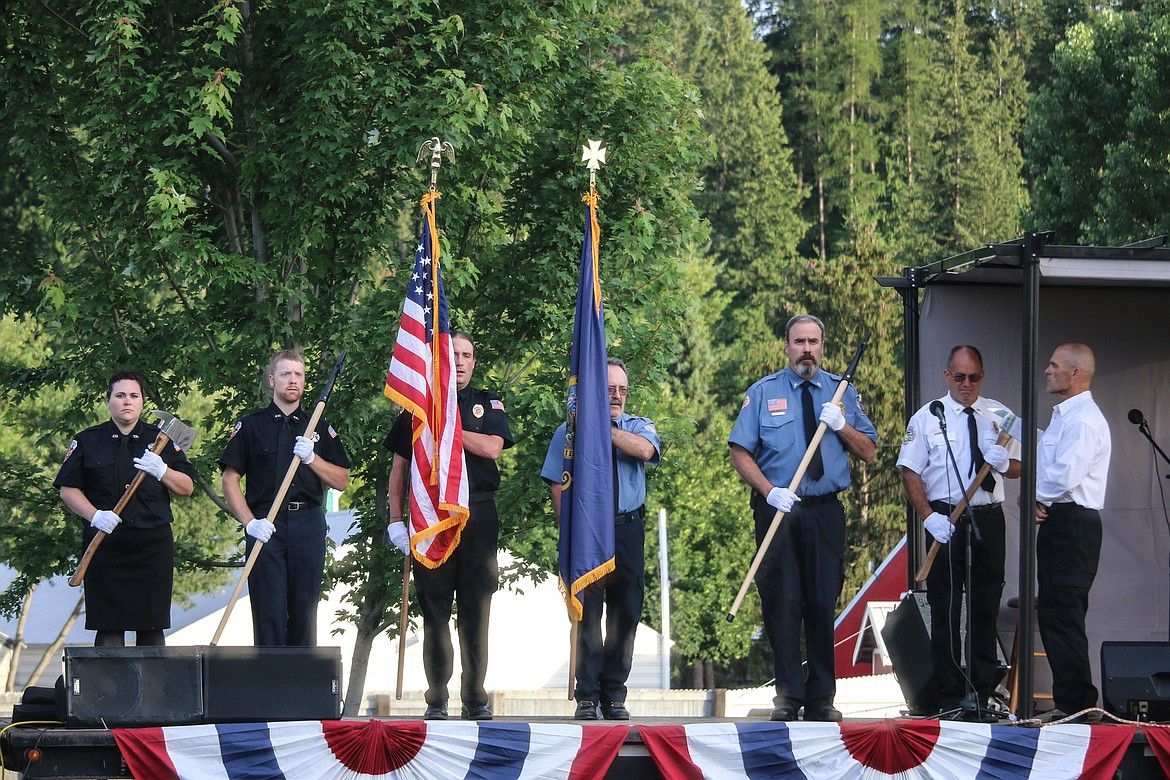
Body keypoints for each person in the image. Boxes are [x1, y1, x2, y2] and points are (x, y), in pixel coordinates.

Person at [728, 314, 877, 722]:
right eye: (799, 342)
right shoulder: (763, 393)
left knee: (820, 601)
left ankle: (822, 699)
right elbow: (740, 451)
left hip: (825, 512)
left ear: (822, 346)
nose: (806, 349)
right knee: (782, 601)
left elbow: (867, 450)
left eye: (813, 341)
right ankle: (788, 696)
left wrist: (842, 425)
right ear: (787, 346)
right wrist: (767, 490)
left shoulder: (842, 392)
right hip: (778, 510)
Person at [386, 332, 513, 721]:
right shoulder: (418, 407)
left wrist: (446, 429)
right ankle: (436, 697)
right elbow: (399, 468)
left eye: (466, 355)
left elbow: (493, 447)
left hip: (476, 514)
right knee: (435, 609)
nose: (459, 361)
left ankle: (475, 697)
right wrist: (395, 521)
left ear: (474, 363)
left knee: (476, 609)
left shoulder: (486, 403)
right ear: (440, 360)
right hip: (431, 516)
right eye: (453, 354)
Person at [897, 345, 1021, 718]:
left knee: (985, 606)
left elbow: (1018, 468)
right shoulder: (928, 417)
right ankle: (949, 696)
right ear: (947, 375)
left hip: (987, 518)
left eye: (975, 377)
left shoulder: (1001, 416)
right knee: (946, 609)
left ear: (982, 376)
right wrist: (926, 516)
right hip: (945, 517)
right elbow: (909, 471)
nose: (967, 384)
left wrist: (1004, 464)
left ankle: (981, 695)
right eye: (960, 376)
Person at [541, 357, 660, 721]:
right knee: (588, 617)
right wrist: (567, 533)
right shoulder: (569, 431)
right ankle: (587, 695)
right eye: (609, 389)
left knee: (625, 616)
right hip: (587, 531)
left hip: (627, 529)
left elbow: (645, 451)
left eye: (622, 389)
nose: (617, 396)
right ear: (594, 390)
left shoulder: (638, 425)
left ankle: (614, 694)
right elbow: (557, 484)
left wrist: (599, 428)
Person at [54, 371, 196, 647]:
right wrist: (94, 515)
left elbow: (187, 487)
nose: (127, 402)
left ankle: (155, 692)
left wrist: (163, 469)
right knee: (108, 630)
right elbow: (67, 490)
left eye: (134, 396)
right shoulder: (87, 440)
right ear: (108, 401)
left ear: (142, 402)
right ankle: (107, 692)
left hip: (152, 546)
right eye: (120, 396)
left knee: (152, 629)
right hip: (105, 545)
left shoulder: (162, 440)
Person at [220, 348, 350, 647]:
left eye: (298, 375)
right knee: (269, 610)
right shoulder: (252, 425)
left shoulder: (317, 425)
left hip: (307, 522)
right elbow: (229, 480)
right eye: (286, 374)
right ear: (271, 380)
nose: (293, 380)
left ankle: (302, 689)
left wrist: (311, 459)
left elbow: (341, 480)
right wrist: (250, 523)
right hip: (266, 524)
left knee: (305, 608)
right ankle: (269, 688)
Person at [1033, 343, 1111, 724]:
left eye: (1054, 365)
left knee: (1063, 611)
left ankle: (1079, 703)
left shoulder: (1081, 420)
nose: (1047, 371)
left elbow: (1065, 475)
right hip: (1062, 520)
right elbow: (1049, 458)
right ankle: (1072, 700)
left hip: (1072, 522)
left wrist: (1036, 497)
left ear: (1075, 373)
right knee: (1053, 610)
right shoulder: (1065, 417)